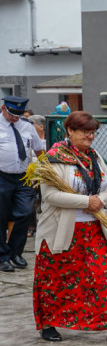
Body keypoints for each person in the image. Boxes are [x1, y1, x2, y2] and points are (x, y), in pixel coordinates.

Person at [33, 111, 107, 343]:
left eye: (93, 132)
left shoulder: (94, 156)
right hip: (62, 229)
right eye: (85, 131)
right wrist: (86, 202)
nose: (90, 136)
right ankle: (48, 323)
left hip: (94, 229)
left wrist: (99, 200)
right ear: (70, 131)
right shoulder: (54, 157)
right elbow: (50, 195)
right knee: (56, 278)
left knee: (101, 276)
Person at [0, 96, 46, 272]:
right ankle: (2, 257)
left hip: (24, 177)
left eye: (18, 114)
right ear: (3, 108)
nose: (15, 118)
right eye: (12, 114)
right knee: (1, 216)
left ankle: (15, 252)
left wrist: (47, 168)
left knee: (25, 212)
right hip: (2, 176)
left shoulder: (27, 126)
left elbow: (38, 150)